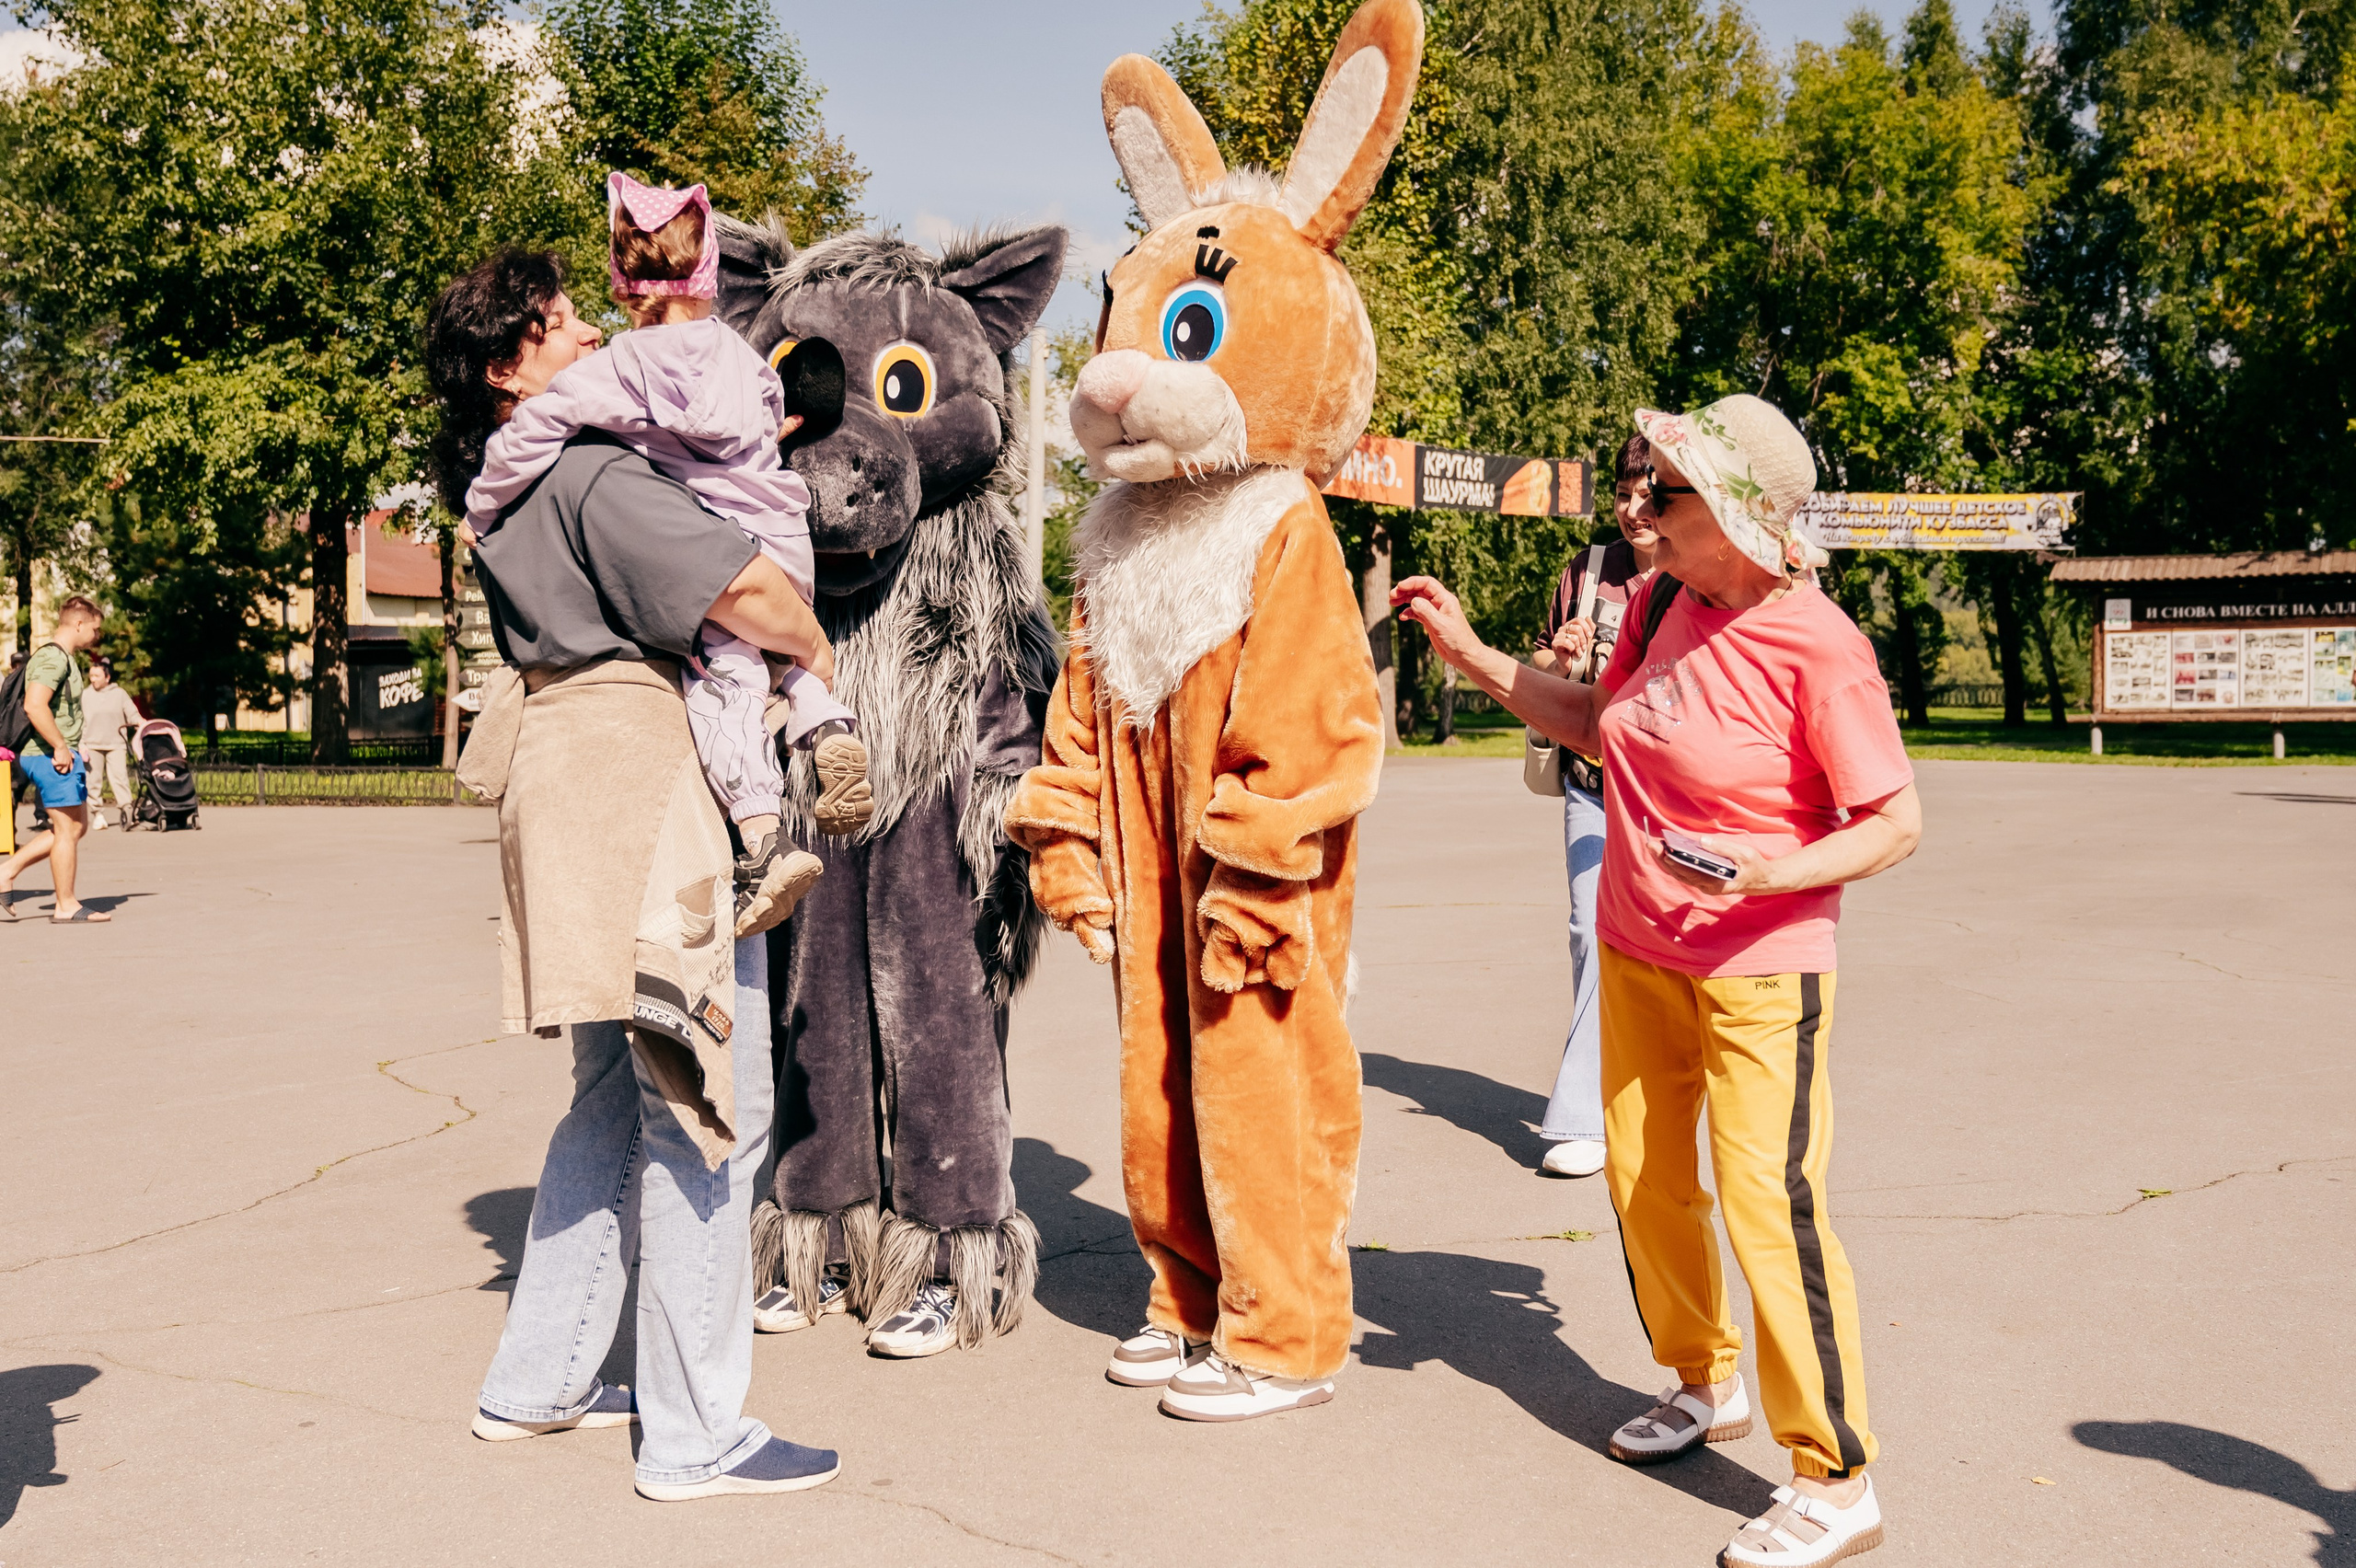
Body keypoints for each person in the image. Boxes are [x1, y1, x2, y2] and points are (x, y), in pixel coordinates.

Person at [1394, 393, 1919, 1567]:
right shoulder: (1659, 602)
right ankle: (1702, 1382)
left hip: (1758, 969)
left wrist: (1772, 869)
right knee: (1643, 1183)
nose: (1638, 507)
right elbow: (1592, 723)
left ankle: (1835, 1477)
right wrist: (1473, 655)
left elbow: (1892, 821)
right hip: (1639, 946)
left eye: (1663, 492)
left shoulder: (1817, 644)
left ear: (1734, 513)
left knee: (1764, 1205)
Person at [425, 247, 839, 1502]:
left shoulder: (499, 494)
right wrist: (815, 648)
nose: (594, 335)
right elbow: (750, 590)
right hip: (645, 785)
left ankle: (540, 1381)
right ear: (511, 368)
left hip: (564, 783)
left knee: (613, 1089)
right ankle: (696, 1433)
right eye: (560, 328)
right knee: (711, 1094)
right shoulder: (593, 471)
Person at [464, 173, 868, 940]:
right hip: (782, 526)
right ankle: (832, 732)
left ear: (627, 288)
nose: (583, 333)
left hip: (729, 544)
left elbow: (534, 433)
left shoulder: (620, 373)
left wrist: (479, 506)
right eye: (560, 322)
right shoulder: (739, 358)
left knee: (729, 683)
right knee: (796, 664)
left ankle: (762, 833)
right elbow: (769, 417)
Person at [1527, 433, 1659, 1179]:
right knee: (1589, 929)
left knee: (1656, 946)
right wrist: (1562, 660)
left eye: (1648, 494)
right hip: (1591, 781)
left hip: (1669, 796)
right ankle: (1585, 1117)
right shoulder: (1588, 569)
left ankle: (1648, 1093)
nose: (1634, 509)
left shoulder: (1688, 572)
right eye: (1623, 494)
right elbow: (1542, 663)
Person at [2, 596, 110, 923]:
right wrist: (60, 747)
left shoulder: (62, 657)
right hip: (49, 755)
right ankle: (66, 904)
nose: (96, 636)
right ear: (78, 624)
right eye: (95, 629)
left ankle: (6, 871)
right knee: (66, 828)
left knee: (75, 826)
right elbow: (35, 705)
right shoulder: (53, 658)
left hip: (56, 752)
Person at [78, 657, 143, 831]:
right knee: (93, 781)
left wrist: (140, 722)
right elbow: (79, 720)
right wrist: (81, 743)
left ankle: (127, 809)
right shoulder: (85, 695)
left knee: (120, 778)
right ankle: (97, 814)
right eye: (91, 675)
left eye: (97, 676)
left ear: (107, 677)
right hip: (92, 744)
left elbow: (132, 713)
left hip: (116, 744)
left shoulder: (119, 693)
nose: (93, 679)